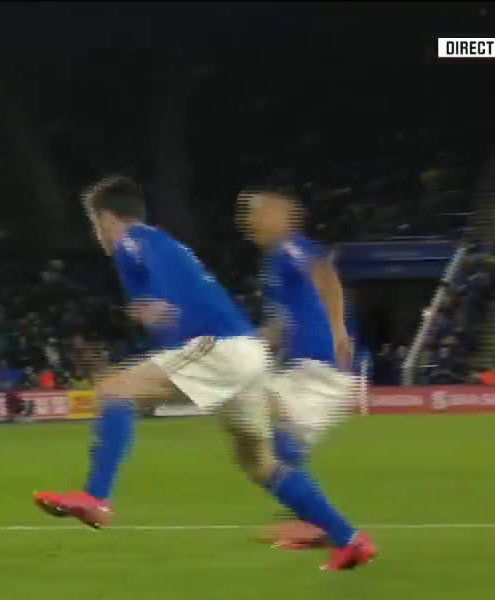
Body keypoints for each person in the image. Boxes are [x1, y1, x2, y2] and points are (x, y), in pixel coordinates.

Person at [33, 176, 374, 571]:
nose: (97, 234)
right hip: (246, 354)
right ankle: (349, 539)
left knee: (115, 389)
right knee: (260, 464)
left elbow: (163, 282)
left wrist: (161, 303)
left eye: (95, 223)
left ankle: (96, 497)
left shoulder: (134, 239)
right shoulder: (163, 242)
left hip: (220, 349)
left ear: (107, 219)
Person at [239, 190, 364, 552]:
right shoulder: (275, 263)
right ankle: (311, 524)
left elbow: (326, 276)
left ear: (283, 217)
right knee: (270, 438)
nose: (252, 220)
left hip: (318, 367)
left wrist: (338, 328)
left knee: (261, 431)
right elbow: (283, 323)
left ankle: (324, 528)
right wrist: (255, 343)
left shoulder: (290, 247)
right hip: (302, 367)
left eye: (260, 213)